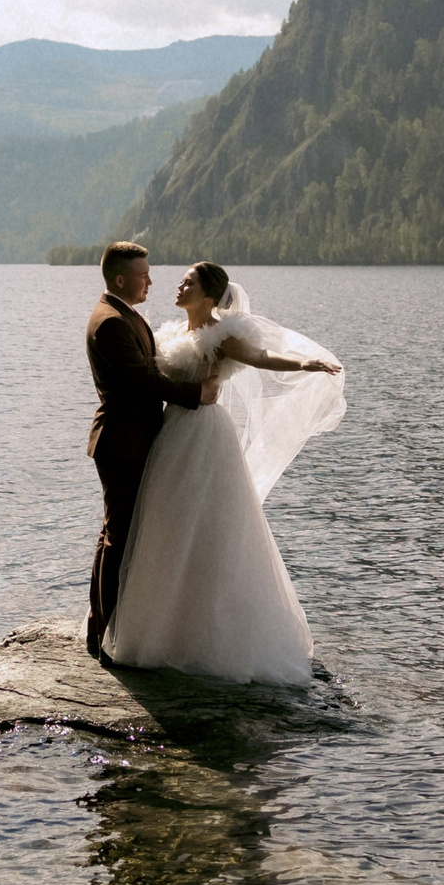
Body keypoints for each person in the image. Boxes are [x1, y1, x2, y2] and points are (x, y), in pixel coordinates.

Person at [101, 259, 346, 685]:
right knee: (167, 527)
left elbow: (260, 356)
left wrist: (304, 365)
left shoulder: (222, 336)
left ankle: (212, 639)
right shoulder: (174, 332)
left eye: (188, 282)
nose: (178, 286)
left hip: (203, 436)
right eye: (181, 280)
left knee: (209, 528)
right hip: (170, 435)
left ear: (210, 295)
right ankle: (166, 630)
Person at [83, 241, 213, 661]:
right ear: (121, 279)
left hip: (135, 438)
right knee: (117, 538)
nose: (151, 282)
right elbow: (143, 380)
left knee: (120, 535)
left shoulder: (124, 315)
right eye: (143, 276)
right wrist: (197, 393)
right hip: (122, 442)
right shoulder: (110, 323)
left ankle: (108, 630)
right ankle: (103, 636)